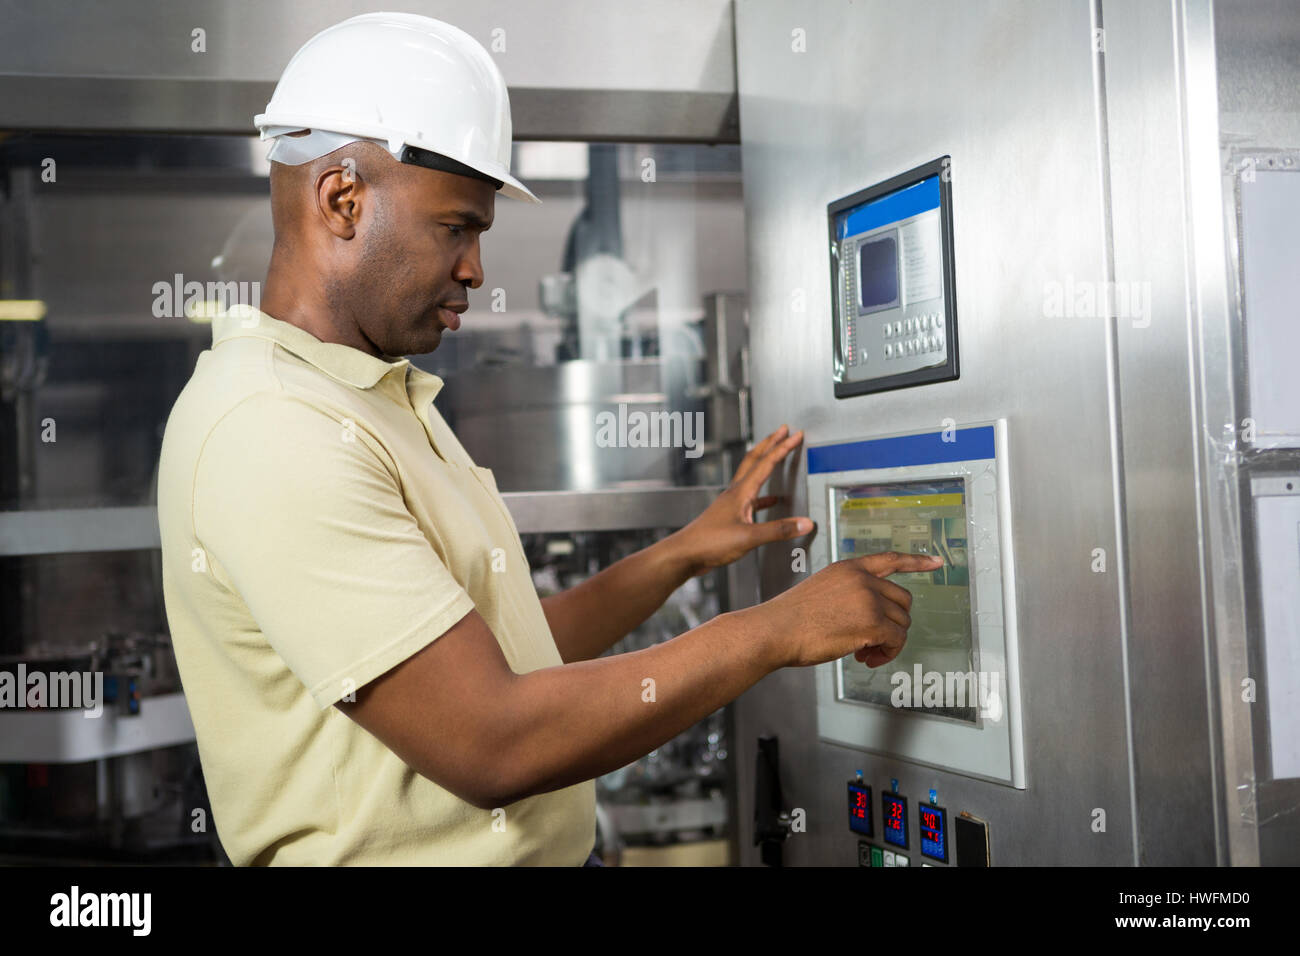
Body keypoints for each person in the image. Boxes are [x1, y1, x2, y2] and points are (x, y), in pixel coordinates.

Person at [156, 12, 940, 866]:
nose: (476, 271)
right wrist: (776, 630)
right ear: (342, 200)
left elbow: (502, 655)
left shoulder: (375, 399)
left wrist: (682, 553)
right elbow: (491, 738)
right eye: (456, 227)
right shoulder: (274, 427)